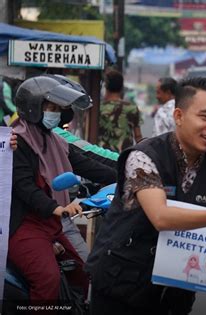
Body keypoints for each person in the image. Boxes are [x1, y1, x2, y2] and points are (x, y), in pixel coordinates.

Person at [86, 77, 206, 315]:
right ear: (178, 116)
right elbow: (161, 217)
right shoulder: (144, 157)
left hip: (174, 297)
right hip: (121, 287)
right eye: (205, 117)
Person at [8, 75, 117, 308]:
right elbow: (25, 188)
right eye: (51, 107)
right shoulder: (16, 142)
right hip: (24, 226)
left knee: (81, 272)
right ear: (33, 108)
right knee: (47, 280)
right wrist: (58, 208)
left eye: (58, 109)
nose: (55, 114)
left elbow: (89, 165)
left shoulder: (55, 141)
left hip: (51, 224)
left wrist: (127, 175)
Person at [98, 69, 143, 152]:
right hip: (124, 157)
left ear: (106, 87)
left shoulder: (98, 109)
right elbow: (138, 136)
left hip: (100, 156)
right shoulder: (131, 108)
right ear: (122, 87)